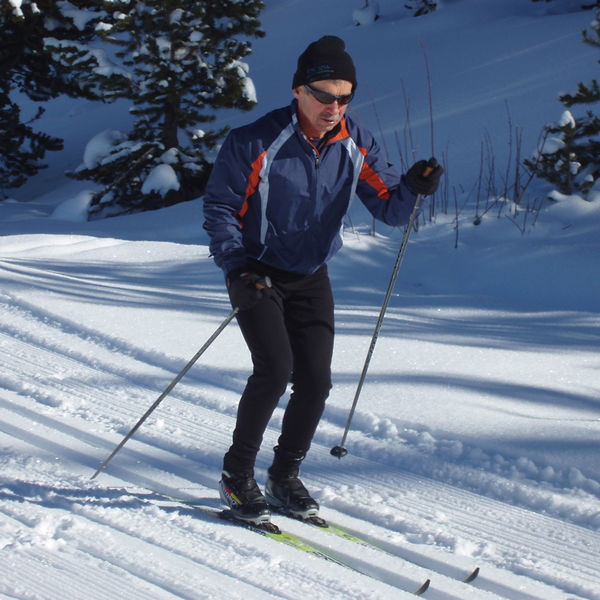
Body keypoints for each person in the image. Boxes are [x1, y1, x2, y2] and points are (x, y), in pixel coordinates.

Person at [203, 35, 442, 524]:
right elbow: (222, 208)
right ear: (299, 91)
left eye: (344, 97)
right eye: (325, 95)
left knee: (315, 380)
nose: (335, 107)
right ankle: (236, 474)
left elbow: (389, 208)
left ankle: (283, 475)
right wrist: (236, 266)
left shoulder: (357, 142)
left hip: (311, 272)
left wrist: (413, 188)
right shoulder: (255, 141)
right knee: (274, 369)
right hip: (257, 272)